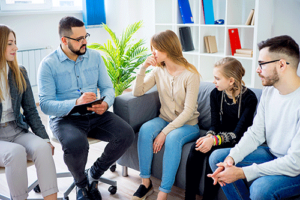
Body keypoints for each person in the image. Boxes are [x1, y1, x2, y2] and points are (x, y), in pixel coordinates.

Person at [38, 16, 134, 200]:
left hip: (94, 114)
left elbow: (107, 88)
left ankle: (94, 174)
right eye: (79, 39)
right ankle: (81, 185)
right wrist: (75, 103)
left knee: (126, 134)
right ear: (64, 40)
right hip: (65, 118)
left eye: (85, 36)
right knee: (76, 144)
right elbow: (46, 105)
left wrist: (105, 103)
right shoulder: (48, 65)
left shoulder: (95, 57)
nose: (85, 42)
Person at [208, 35, 300, 200]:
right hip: (273, 153)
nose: (257, 70)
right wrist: (231, 158)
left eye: (261, 64)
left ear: (281, 65)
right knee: (218, 158)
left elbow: (294, 163)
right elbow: (255, 133)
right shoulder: (269, 93)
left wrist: (242, 172)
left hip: (296, 167)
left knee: (259, 189)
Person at [131, 30, 200, 200]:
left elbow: (188, 111)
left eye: (156, 49)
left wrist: (164, 132)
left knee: (172, 138)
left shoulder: (191, 74)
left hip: (188, 124)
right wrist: (143, 68)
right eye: (152, 48)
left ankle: (163, 192)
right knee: (146, 130)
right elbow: (137, 92)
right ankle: (145, 183)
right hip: (164, 118)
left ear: (167, 48)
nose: (152, 52)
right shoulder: (158, 71)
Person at [185, 57, 258, 200]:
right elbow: (215, 125)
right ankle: (189, 197)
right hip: (219, 136)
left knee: (214, 158)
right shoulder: (216, 94)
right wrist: (208, 137)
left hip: (238, 140)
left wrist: (214, 140)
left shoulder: (250, 99)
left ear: (231, 81)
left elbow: (238, 134)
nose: (214, 81)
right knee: (196, 148)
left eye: (217, 78)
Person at [0, 25, 58, 200]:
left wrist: (45, 138)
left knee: (43, 148)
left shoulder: (19, 72)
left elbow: (31, 110)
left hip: (17, 129)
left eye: (15, 43)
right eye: (10, 43)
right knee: (16, 153)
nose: (15, 47)